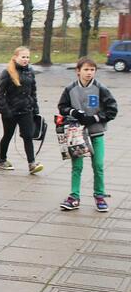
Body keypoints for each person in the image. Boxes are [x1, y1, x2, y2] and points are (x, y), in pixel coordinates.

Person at [57, 57, 118, 212]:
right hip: (77, 134)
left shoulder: (101, 88)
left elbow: (112, 109)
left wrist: (95, 118)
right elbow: (62, 106)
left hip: (96, 133)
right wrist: (74, 112)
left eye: (92, 70)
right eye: (86, 69)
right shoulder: (70, 89)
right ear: (78, 71)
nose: (89, 73)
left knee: (98, 165)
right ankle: (74, 197)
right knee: (76, 166)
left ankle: (99, 196)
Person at [0, 46, 44, 174]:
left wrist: (35, 109)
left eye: (27, 57)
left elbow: (33, 91)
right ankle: (2, 160)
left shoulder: (30, 72)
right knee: (7, 136)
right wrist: (5, 111)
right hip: (10, 112)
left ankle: (32, 164)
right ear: (15, 57)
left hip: (26, 110)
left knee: (28, 136)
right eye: (23, 57)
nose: (25, 59)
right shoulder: (8, 72)